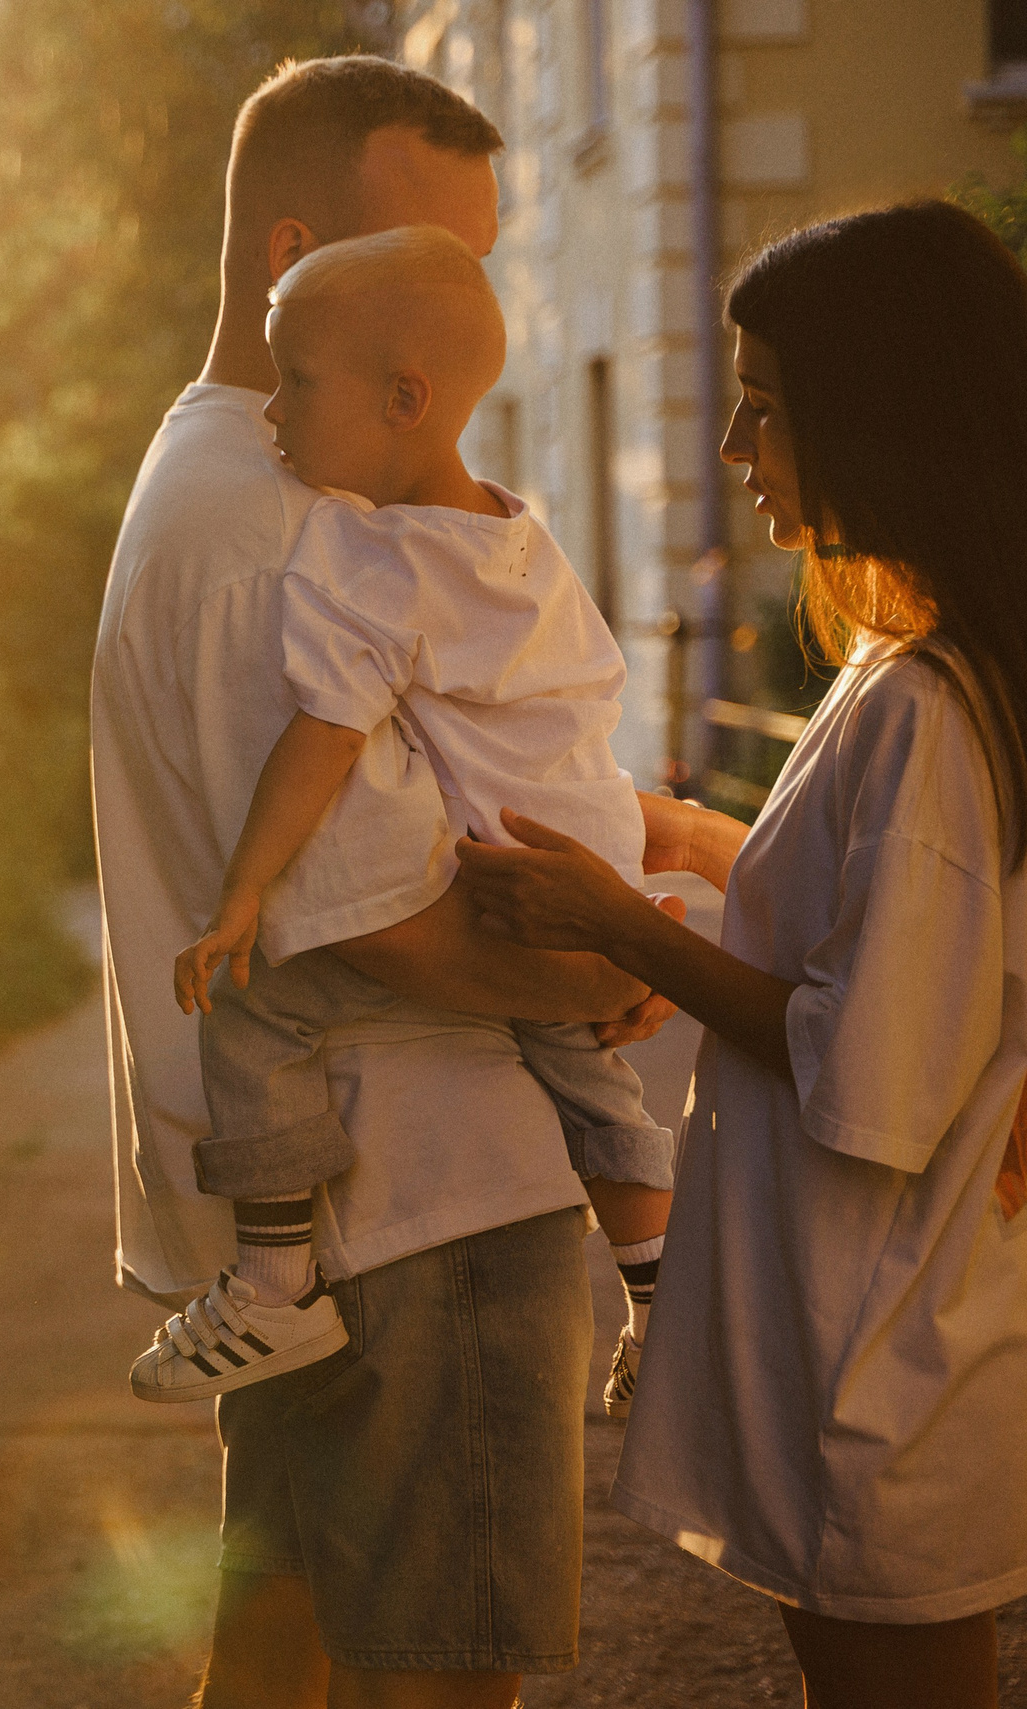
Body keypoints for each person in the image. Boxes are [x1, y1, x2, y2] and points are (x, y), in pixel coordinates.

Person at [90, 54, 671, 1708]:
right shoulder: (282, 522)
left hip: (345, 1217)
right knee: (433, 1682)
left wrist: (653, 834)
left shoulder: (256, 483)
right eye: (443, 261)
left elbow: (454, 780)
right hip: (424, 1207)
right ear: (296, 266)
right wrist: (617, 966)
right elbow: (387, 902)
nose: (469, 319)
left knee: (284, 1666)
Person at [451, 200, 1027, 1709]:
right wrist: (698, 842)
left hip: (874, 1362)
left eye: (763, 408)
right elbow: (891, 919)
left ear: (878, 417)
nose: (729, 449)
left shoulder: (926, 708)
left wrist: (615, 920)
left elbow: (872, 1065)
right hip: (857, 1340)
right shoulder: (911, 664)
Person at [127, 225, 676, 1418]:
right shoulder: (527, 544)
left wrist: (241, 898)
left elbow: (317, 743)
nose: (270, 409)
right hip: (592, 887)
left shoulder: (366, 558)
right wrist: (634, 920)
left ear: (401, 398)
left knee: (256, 998)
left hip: (509, 903)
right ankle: (658, 1300)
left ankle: (274, 1282)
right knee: (596, 1088)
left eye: (296, 378)